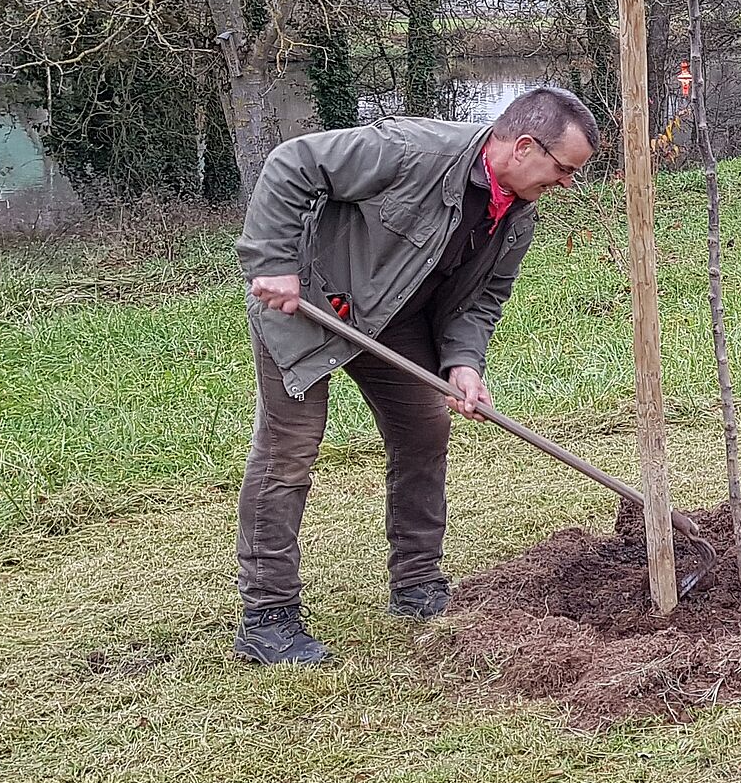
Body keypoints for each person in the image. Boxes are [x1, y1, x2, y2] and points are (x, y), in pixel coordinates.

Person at [231, 86, 598, 665]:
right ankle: (267, 615)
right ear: (525, 147)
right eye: (563, 170)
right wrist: (273, 263)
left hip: (397, 321)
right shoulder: (411, 152)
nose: (565, 185)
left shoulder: (517, 215)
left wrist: (463, 361)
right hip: (312, 302)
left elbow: (481, 300)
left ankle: (417, 584)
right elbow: (292, 163)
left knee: (425, 429)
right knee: (289, 450)